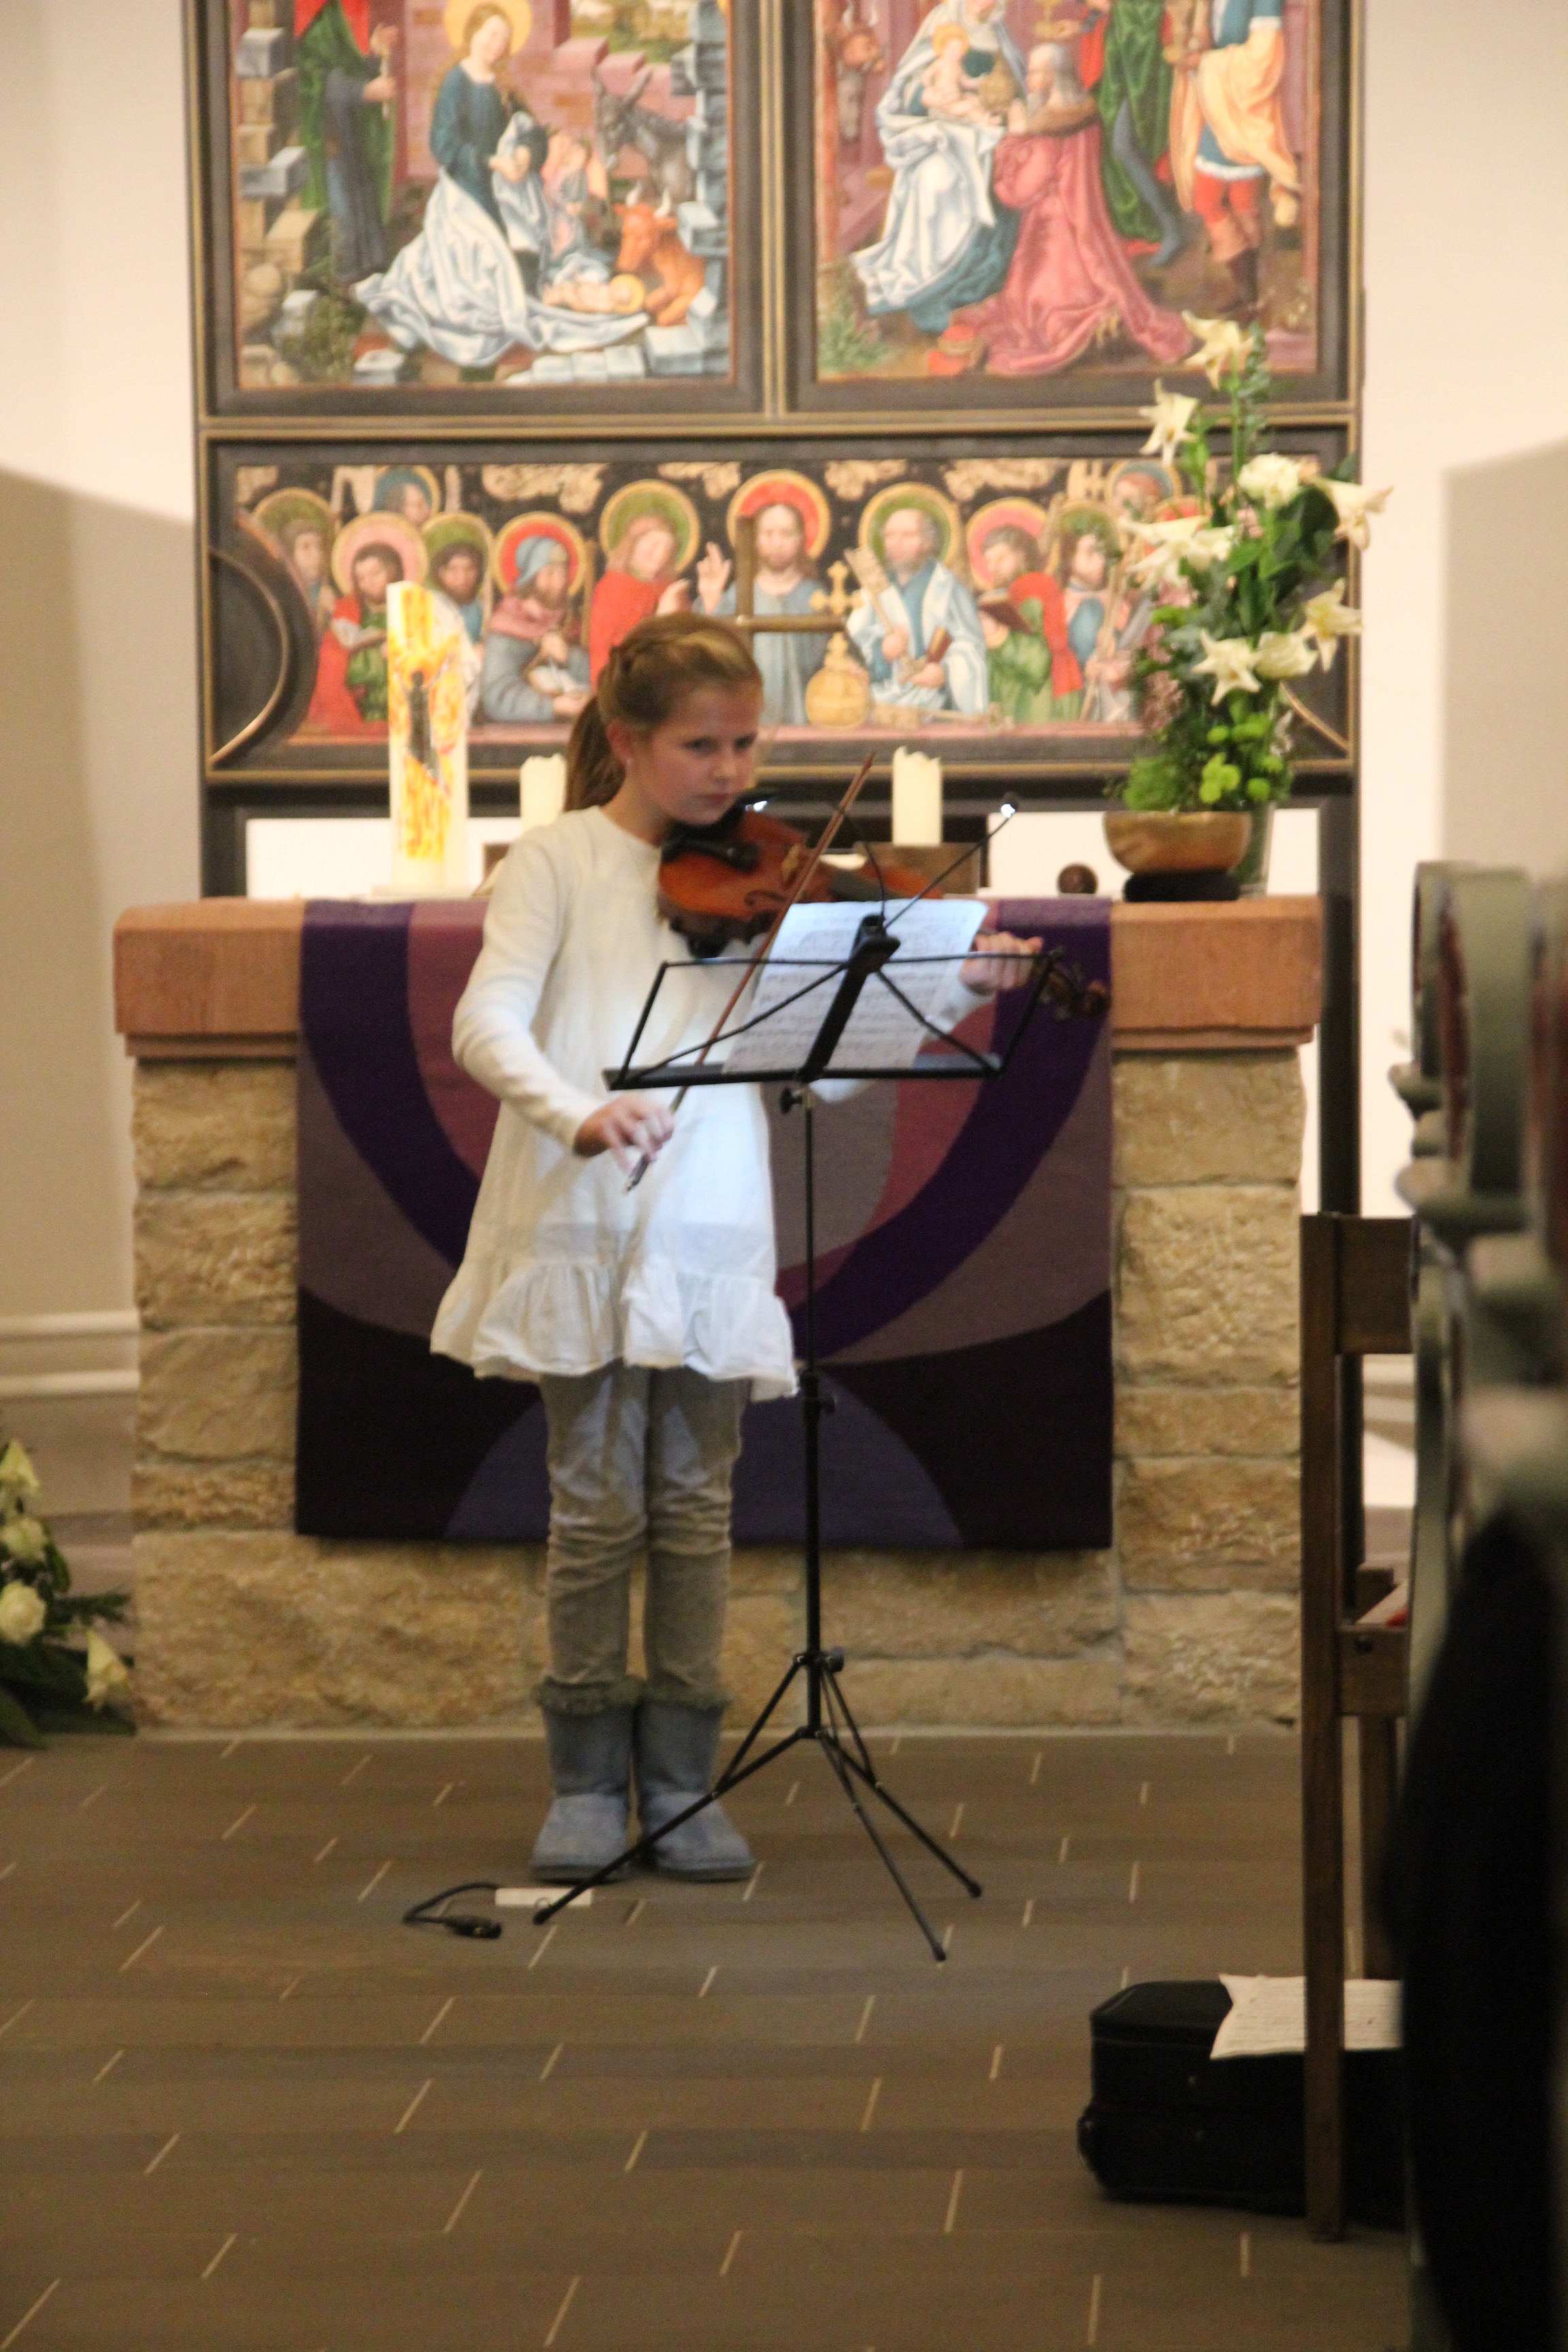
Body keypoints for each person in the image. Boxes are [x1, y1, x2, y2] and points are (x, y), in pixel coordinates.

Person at [429, 612, 1041, 1882]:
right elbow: (484, 1023)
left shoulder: (766, 880)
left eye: (745, 744)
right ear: (626, 741)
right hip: (582, 1214)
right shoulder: (556, 861)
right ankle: (584, 1782)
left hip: (708, 1216)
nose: (729, 771)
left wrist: (953, 989)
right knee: (596, 1508)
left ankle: (679, 1782)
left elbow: (815, 1076)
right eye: (700, 746)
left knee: (696, 1509)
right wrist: (578, 1112)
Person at [356, 5, 646, 370]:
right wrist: (493, 162)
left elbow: (533, 132)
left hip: (507, 193)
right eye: (492, 35)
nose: (497, 45)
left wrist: (524, 152)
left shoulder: (503, 86)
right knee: (491, 271)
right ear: (472, 33)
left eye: (504, 40)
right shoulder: (456, 82)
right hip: (467, 192)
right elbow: (443, 145)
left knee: (525, 262)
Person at [969, 37, 1190, 374]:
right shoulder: (1084, 112)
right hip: (1084, 224)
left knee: (1037, 313)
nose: (1028, 79)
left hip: (1052, 239)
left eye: (1035, 73)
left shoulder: (1048, 131)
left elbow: (1017, 192)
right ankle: (1103, 317)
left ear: (1054, 76)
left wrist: (1011, 140)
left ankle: (1086, 324)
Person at [850, 0, 1027, 337]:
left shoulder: (997, 33)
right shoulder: (943, 22)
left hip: (982, 128)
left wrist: (1005, 103)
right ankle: (931, 277)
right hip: (937, 131)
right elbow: (910, 90)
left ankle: (974, 278)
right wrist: (932, 98)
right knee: (936, 178)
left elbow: (1013, 84)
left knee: (1002, 168)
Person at [1169, 0, 1301, 319]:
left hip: (1246, 113)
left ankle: (1246, 290)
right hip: (1219, 109)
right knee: (1224, 201)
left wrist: (1206, 63)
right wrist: (1195, 48)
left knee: (1230, 202)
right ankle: (1247, 290)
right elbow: (1209, 42)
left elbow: (1265, 57)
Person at [698, 502, 830, 728]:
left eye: (786, 534)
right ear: (755, 540)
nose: (777, 543)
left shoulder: (817, 597)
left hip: (808, 720)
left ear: (801, 539)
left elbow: (832, 657)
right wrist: (711, 603)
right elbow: (713, 657)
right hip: (749, 720)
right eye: (768, 534)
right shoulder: (739, 595)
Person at [847, 505, 987, 717]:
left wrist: (945, 672)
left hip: (938, 706)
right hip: (882, 706)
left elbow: (972, 645)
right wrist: (882, 652)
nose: (897, 543)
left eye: (908, 535)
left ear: (928, 542)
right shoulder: (872, 592)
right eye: (890, 535)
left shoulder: (949, 588)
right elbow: (854, 645)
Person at [293, 0, 397, 285]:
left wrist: (373, 53)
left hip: (349, 135)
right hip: (327, 140)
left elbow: (349, 67)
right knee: (342, 214)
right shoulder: (317, 24)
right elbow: (317, 79)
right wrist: (364, 91)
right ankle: (342, 281)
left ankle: (364, 277)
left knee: (358, 204)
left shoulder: (339, 17)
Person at [1079, 0, 1188, 267]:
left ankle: (1171, 227)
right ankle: (1144, 223)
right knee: (1115, 148)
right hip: (1117, 67)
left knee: (1125, 146)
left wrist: (1116, 9)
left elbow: (1152, 11)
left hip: (1148, 68)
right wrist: (1093, 16)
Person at [976, 522, 1081, 719]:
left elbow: (1037, 662)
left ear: (1022, 555)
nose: (993, 568)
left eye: (1001, 558)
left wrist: (996, 634)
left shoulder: (1032, 588)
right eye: (989, 560)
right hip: (1037, 694)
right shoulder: (1014, 591)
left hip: (1043, 698)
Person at [481, 535, 590, 724]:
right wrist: (553, 706)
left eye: (563, 573)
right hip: (518, 733)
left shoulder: (572, 622)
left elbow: (599, 674)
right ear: (531, 578)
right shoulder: (506, 626)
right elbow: (497, 694)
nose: (559, 583)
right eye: (549, 574)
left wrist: (570, 657)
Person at [589, 512, 692, 682]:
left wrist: (711, 599)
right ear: (634, 543)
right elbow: (614, 652)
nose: (661, 554)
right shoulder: (614, 587)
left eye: (667, 549)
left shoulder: (670, 588)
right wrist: (661, 620)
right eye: (654, 545)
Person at [309, 540, 402, 728]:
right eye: (362, 578)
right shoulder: (347, 610)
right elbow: (333, 660)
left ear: (392, 570)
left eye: (376, 573)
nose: (369, 583)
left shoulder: (410, 606)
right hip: (361, 707)